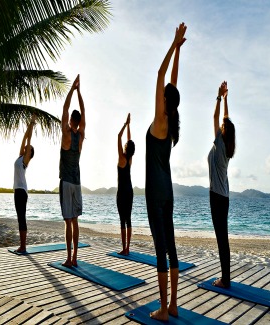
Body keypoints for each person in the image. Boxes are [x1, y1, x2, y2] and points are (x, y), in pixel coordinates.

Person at [145, 23, 186, 321]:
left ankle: (163, 310)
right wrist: (179, 52)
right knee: (171, 247)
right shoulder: (171, 122)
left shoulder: (160, 119)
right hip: (168, 191)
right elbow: (172, 82)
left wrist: (172, 44)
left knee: (161, 249)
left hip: (155, 192)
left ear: (165, 101)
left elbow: (161, 77)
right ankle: (173, 304)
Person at [208, 81, 236, 288]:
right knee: (222, 237)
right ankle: (225, 277)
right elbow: (224, 120)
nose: (220, 126)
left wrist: (218, 97)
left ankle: (225, 279)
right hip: (223, 196)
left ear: (223, 131)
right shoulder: (227, 145)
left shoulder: (219, 142)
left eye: (222, 127)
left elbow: (216, 118)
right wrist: (226, 99)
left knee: (221, 238)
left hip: (217, 196)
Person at [59, 74, 86, 267]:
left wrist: (72, 90)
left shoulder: (67, 134)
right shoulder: (81, 136)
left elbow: (64, 109)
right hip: (77, 182)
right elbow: (82, 112)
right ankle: (75, 258)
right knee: (75, 221)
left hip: (66, 181)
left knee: (68, 222)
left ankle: (69, 259)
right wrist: (80, 92)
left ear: (71, 122)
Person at [13, 114, 36, 253]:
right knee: (19, 217)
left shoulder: (25, 160)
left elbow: (29, 138)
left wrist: (32, 124)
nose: (27, 146)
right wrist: (29, 124)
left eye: (29, 147)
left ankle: (23, 246)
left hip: (22, 191)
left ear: (29, 153)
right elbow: (25, 138)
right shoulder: (20, 157)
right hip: (18, 190)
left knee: (22, 217)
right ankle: (22, 245)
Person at [117, 113, 135, 255]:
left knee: (122, 220)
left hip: (122, 192)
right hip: (130, 191)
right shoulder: (129, 159)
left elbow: (119, 137)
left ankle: (124, 249)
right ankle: (127, 248)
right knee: (128, 219)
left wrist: (125, 124)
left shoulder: (122, 158)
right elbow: (128, 140)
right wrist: (129, 125)